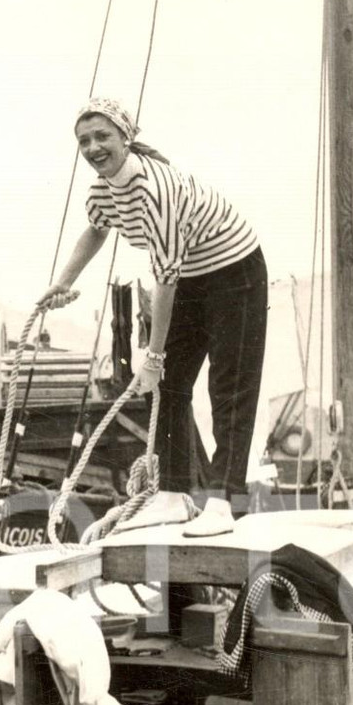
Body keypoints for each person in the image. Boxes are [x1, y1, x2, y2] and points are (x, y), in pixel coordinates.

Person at [38, 96, 268, 536]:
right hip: (193, 275)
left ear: (127, 137)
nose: (93, 147)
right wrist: (64, 281)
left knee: (229, 388)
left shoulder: (152, 190)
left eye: (102, 136)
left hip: (236, 270)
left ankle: (222, 503)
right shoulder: (104, 189)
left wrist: (155, 354)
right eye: (84, 140)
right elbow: (96, 228)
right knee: (166, 385)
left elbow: (164, 279)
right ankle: (174, 496)